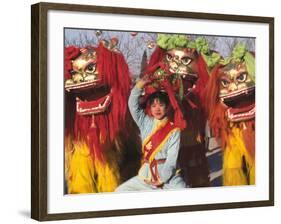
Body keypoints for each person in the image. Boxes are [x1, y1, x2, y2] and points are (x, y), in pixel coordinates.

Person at [115, 77, 186, 191]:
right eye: (153, 106)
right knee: (120, 191)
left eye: (161, 105)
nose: (157, 109)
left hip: (169, 177)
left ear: (167, 107)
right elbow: (132, 105)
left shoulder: (174, 130)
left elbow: (172, 159)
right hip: (146, 175)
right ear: (150, 109)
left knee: (186, 196)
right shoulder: (145, 123)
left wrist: (162, 179)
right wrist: (138, 86)